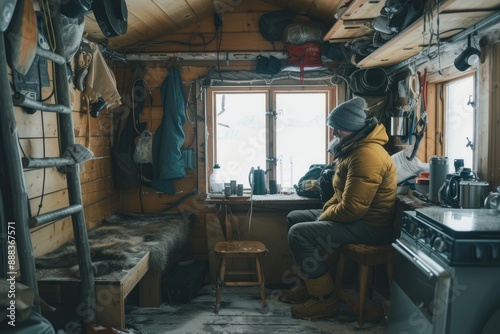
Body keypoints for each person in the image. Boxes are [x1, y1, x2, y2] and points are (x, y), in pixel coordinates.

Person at [281, 97, 397, 320]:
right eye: (333, 127)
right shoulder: (354, 149)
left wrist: (322, 218)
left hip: (368, 226)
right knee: (295, 218)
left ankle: (324, 301)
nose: (334, 132)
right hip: (356, 219)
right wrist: (323, 216)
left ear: (354, 127)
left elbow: (352, 208)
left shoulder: (366, 155)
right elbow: (342, 196)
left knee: (299, 233)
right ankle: (311, 285)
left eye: (339, 128)